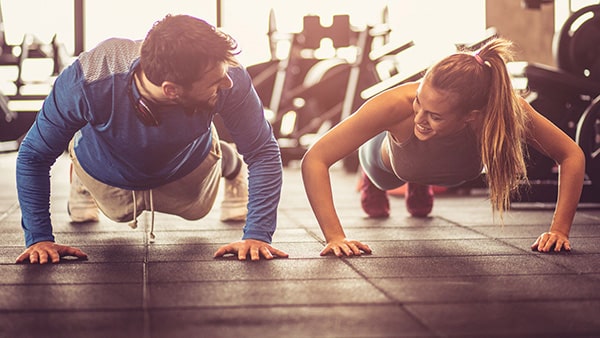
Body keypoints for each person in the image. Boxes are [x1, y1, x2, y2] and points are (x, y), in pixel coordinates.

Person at [15, 14, 288, 264]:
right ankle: (82, 179)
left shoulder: (227, 75)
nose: (226, 83)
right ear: (171, 90)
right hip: (106, 168)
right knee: (117, 212)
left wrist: (258, 234)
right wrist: (39, 238)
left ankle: (230, 163)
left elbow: (262, 150)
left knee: (197, 209)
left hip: (188, 164)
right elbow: (33, 155)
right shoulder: (87, 80)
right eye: (215, 84)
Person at [301, 38, 585, 257]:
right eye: (419, 102)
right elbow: (315, 159)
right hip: (386, 162)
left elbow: (571, 154)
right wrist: (334, 236)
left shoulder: (504, 113)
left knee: (429, 172)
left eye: (434, 115)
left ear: (471, 116)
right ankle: (377, 182)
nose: (419, 118)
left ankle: (419, 182)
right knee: (385, 178)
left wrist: (559, 230)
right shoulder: (396, 105)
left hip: (447, 169)